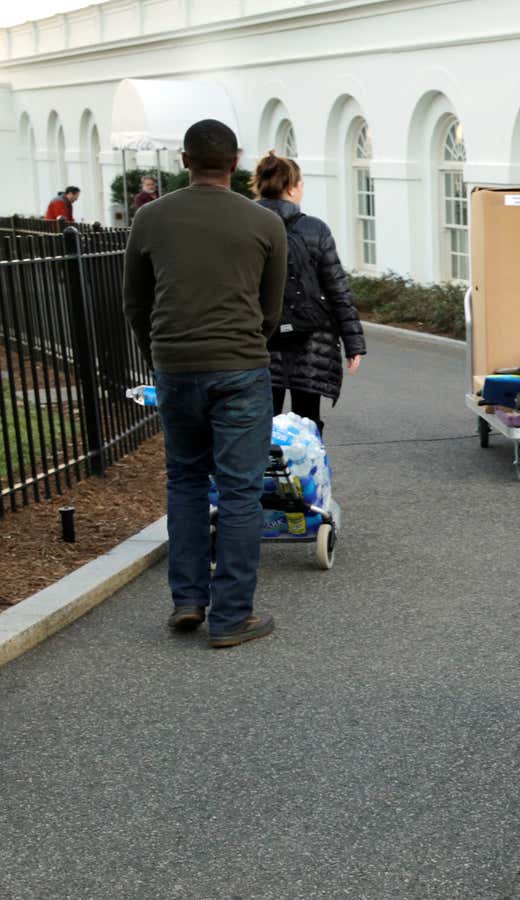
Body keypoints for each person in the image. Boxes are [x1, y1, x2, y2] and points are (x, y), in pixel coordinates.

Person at [122, 119, 286, 649]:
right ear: (235, 163)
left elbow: (135, 302)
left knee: (186, 480)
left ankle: (188, 600)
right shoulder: (264, 223)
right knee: (239, 490)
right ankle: (231, 617)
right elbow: (271, 307)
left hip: (175, 365)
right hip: (239, 365)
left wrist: (161, 351)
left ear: (184, 161)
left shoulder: (150, 218)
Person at [251, 152, 367, 436]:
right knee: (307, 420)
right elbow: (336, 287)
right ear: (291, 187)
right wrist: (354, 343)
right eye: (301, 183)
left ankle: (264, 478)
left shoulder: (245, 225)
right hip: (312, 337)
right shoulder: (314, 228)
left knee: (261, 421)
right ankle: (306, 476)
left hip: (259, 336)